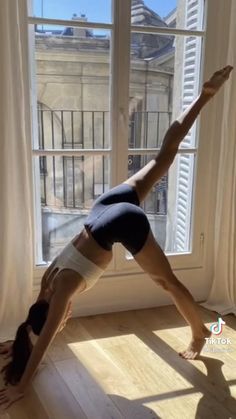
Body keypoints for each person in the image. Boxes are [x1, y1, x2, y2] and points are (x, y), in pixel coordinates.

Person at [0, 65, 233, 409]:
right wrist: (18, 342)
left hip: (123, 220)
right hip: (103, 207)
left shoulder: (60, 292)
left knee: (168, 283)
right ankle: (205, 95)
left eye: (59, 319)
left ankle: (201, 332)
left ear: (52, 313)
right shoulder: (47, 284)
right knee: (164, 155)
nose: (64, 321)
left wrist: (23, 383)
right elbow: (38, 327)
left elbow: (47, 337)